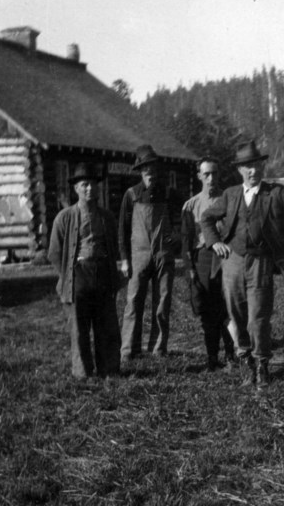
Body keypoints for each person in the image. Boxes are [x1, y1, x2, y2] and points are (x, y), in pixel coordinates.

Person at [200, 140, 284, 389]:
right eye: (248, 167)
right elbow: (206, 218)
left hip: (260, 263)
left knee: (258, 317)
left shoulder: (274, 192)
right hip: (232, 263)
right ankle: (245, 361)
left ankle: (261, 365)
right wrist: (215, 242)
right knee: (236, 316)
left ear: (263, 167)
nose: (254, 171)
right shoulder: (230, 195)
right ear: (240, 170)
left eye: (257, 165)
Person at [48, 163, 121, 378]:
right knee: (79, 328)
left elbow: (113, 248)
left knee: (105, 324)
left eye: (93, 185)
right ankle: (83, 373)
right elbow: (54, 252)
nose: (90, 189)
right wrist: (68, 275)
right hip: (78, 274)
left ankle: (108, 369)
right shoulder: (65, 217)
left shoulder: (106, 217)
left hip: (102, 273)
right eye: (85, 185)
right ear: (76, 189)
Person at [118, 144, 183, 363]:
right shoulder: (131, 195)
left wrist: (176, 236)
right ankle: (129, 350)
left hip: (163, 254)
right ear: (140, 171)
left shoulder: (167, 193)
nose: (150, 173)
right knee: (133, 301)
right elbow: (123, 229)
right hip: (138, 256)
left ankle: (158, 348)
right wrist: (125, 259)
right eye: (146, 169)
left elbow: (183, 217)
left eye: (153, 168)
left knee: (162, 301)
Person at [181, 157, 237, 370]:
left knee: (227, 307)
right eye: (206, 174)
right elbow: (186, 243)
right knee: (207, 310)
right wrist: (190, 270)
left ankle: (231, 355)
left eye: (214, 173)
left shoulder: (229, 199)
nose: (211, 178)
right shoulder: (190, 205)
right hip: (202, 259)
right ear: (199, 177)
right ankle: (212, 357)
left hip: (225, 257)